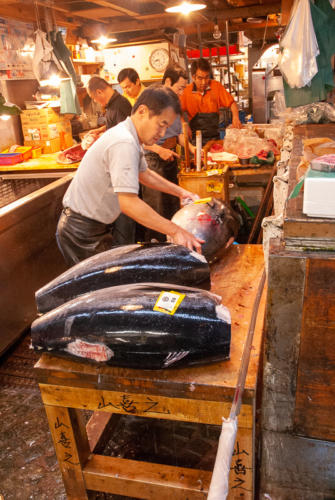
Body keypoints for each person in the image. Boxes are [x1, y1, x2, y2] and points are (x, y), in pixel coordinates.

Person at [56, 85, 203, 266]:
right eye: (161, 124)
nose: (163, 133)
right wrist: (176, 231)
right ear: (142, 111)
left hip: (93, 228)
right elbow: (128, 204)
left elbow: (143, 174)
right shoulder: (123, 141)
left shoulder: (130, 136)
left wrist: (181, 192)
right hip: (82, 233)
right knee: (101, 291)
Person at [142, 66, 195, 242]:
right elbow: (140, 140)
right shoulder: (152, 101)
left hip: (169, 156)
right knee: (157, 209)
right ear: (167, 82)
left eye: (183, 89)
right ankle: (155, 247)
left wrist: (192, 148)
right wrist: (159, 149)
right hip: (153, 159)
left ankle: (171, 245)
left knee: (172, 205)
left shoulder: (174, 104)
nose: (181, 92)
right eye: (179, 88)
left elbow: (178, 134)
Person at [180, 58, 242, 145]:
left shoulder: (216, 86)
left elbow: (231, 103)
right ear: (193, 77)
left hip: (215, 138)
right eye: (200, 78)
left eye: (206, 77)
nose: (204, 82)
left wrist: (235, 117)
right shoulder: (186, 91)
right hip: (196, 139)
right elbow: (178, 111)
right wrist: (184, 125)